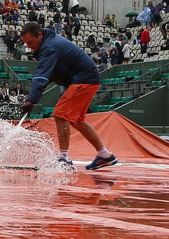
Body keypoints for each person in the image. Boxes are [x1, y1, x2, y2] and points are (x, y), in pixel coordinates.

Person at [19, 21, 117, 171]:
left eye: (31, 42)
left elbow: (41, 76)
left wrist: (31, 100)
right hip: (87, 79)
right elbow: (49, 74)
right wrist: (32, 96)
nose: (29, 47)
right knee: (77, 121)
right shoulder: (48, 43)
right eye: (26, 44)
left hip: (84, 79)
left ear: (40, 34)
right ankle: (105, 155)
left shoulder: (49, 47)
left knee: (60, 114)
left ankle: (64, 159)